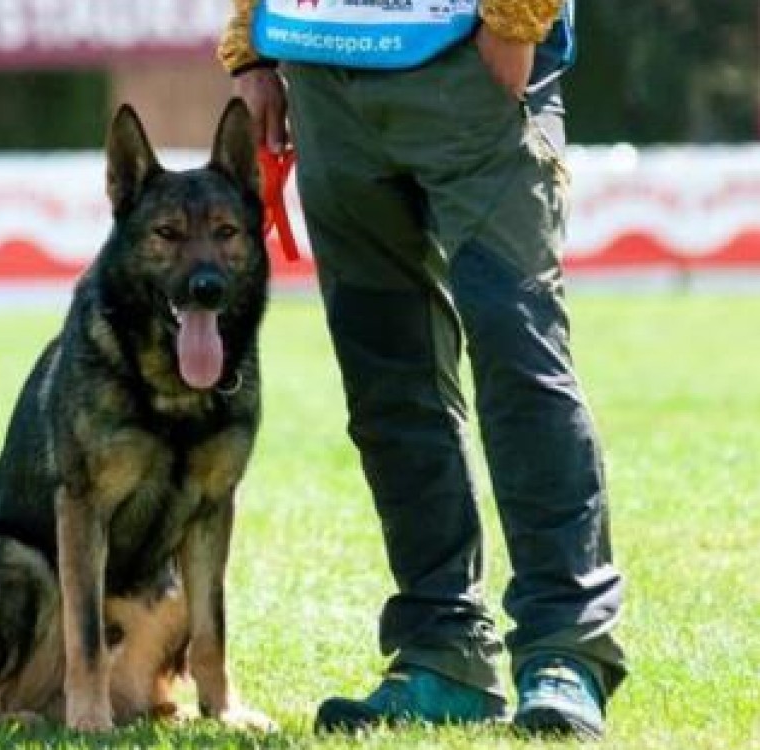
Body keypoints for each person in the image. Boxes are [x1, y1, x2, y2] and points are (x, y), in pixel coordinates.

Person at [218, 0, 627, 740]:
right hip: (324, 62)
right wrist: (251, 43)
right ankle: (443, 650)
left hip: (471, 57)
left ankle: (565, 648)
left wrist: (515, 18)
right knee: (386, 378)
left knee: (519, 356)